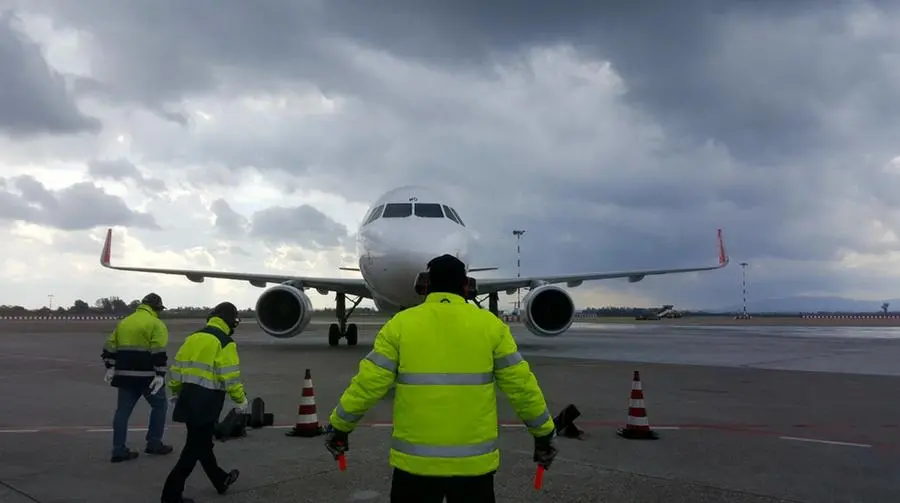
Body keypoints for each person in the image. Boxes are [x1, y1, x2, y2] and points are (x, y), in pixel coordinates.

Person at [324, 254, 559, 502]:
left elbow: (367, 384)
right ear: (466, 285)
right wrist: (543, 433)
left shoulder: (400, 325)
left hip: (415, 467)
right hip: (473, 468)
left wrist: (340, 426)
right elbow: (522, 387)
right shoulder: (491, 327)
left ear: (425, 285)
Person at [161, 301, 247, 503]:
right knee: (193, 450)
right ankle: (170, 495)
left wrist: (174, 391)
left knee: (202, 443)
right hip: (207, 402)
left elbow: (177, 367)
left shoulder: (193, 337)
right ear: (230, 322)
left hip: (187, 397)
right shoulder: (225, 342)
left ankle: (220, 479)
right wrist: (241, 400)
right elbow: (230, 377)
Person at [102, 292, 174, 463]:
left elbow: (109, 346)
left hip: (124, 376)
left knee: (122, 413)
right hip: (147, 377)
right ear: (157, 308)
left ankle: (118, 450)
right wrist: (160, 374)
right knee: (160, 406)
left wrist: (110, 366)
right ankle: (154, 443)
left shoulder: (124, 322)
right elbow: (158, 351)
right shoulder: (156, 324)